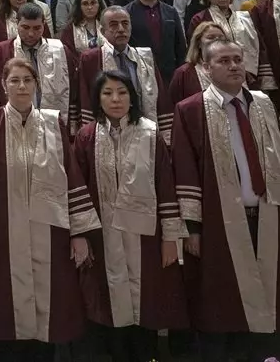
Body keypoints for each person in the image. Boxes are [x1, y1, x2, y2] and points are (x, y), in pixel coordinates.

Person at [171, 39, 280, 362]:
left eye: (238, 59)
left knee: (267, 303)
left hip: (268, 217)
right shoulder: (191, 109)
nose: (234, 65)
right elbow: (185, 171)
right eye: (224, 61)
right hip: (218, 224)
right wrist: (191, 228)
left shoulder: (264, 105)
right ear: (207, 69)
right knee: (221, 308)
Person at [0, 57, 99, 360]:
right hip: (1, 231)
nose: (21, 86)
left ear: (37, 85)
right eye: (14, 80)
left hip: (51, 232)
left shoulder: (54, 123)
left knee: (51, 313)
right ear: (3, 85)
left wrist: (79, 234)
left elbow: (71, 176)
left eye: (28, 80)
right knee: (2, 310)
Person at [73, 70, 187, 361]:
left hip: (145, 237)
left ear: (132, 97)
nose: (115, 99)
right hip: (101, 235)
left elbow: (165, 185)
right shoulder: (86, 137)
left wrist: (170, 238)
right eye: (107, 92)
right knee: (104, 307)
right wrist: (80, 236)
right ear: (98, 99)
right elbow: (77, 189)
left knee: (144, 306)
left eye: (122, 92)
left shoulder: (150, 133)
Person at [76, 6, 174, 142]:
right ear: (103, 31)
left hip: (143, 130)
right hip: (107, 134)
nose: (121, 29)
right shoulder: (91, 59)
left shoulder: (146, 57)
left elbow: (160, 98)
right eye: (114, 25)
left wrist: (165, 135)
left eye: (125, 23)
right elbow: (86, 99)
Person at [0, 2, 79, 128]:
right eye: (25, 27)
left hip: (52, 123)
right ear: (17, 24)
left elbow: (72, 91)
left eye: (37, 28)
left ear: (44, 25)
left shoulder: (60, 51)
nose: (31, 34)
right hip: (12, 123)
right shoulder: (1, 51)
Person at [188, 0, 264, 89]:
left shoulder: (245, 17)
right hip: (215, 74)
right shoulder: (200, 18)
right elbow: (196, 48)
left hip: (249, 74)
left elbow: (259, 45)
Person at [125, 0, 186, 83]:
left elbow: (180, 46)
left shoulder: (170, 11)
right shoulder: (127, 13)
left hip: (169, 74)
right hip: (141, 73)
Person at [169, 22, 227, 107]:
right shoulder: (183, 73)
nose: (217, 40)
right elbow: (175, 106)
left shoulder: (234, 68)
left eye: (221, 37)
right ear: (198, 43)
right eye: (211, 37)